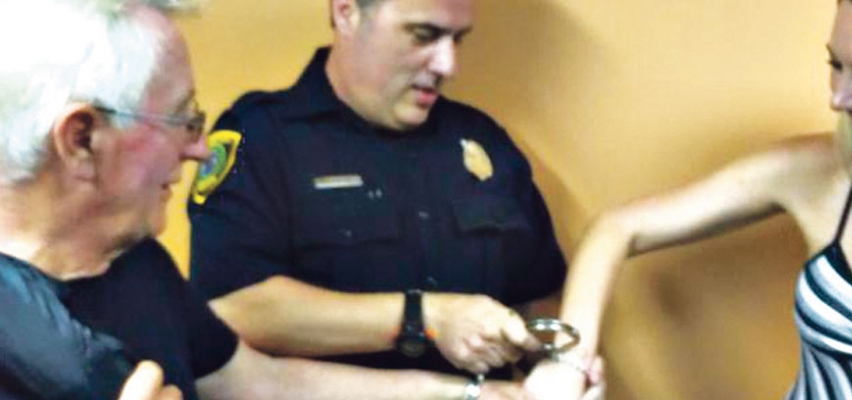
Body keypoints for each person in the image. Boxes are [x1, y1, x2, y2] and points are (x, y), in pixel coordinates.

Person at [0, 0, 528, 399]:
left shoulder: (137, 262)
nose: (198, 149)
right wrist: (425, 318)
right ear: (82, 140)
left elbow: (254, 380)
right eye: (183, 120)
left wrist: (475, 395)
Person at [523, 0, 852, 399]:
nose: (839, 99)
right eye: (836, 65)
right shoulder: (823, 173)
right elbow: (616, 228)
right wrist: (568, 363)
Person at [187, 0, 567, 396]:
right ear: (347, 12)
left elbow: (535, 297)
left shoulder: (481, 140)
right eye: (424, 35)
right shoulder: (263, 136)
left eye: (457, 40)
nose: (447, 65)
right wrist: (424, 317)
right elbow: (230, 309)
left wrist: (560, 365)